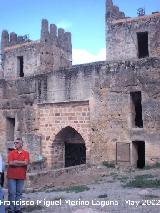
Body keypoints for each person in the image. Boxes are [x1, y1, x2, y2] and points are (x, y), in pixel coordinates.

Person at [7, 138, 29, 213]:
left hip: (21, 176)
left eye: (17, 143)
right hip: (11, 176)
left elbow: (26, 163)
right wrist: (21, 163)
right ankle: (11, 209)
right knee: (12, 193)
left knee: (19, 193)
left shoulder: (26, 153)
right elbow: (10, 163)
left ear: (21, 144)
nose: (15, 144)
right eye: (15, 143)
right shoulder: (11, 153)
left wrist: (16, 162)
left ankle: (17, 209)